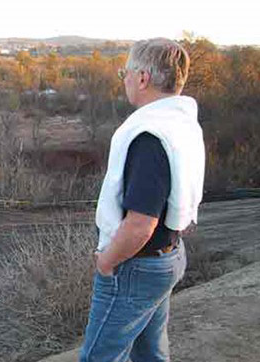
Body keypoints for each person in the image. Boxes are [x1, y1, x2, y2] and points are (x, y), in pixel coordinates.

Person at [79, 38, 205, 362]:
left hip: (136, 265)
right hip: (168, 255)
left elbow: (140, 225)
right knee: (150, 353)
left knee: (99, 358)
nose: (125, 79)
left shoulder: (149, 135)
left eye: (126, 72)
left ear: (143, 78)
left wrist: (107, 261)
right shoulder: (182, 123)